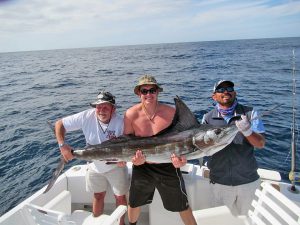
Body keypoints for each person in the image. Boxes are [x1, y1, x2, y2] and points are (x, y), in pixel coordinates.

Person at [124, 75, 197, 225]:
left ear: (158, 92)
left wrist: (182, 160)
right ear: (139, 93)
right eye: (144, 91)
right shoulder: (131, 114)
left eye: (152, 90)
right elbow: (126, 144)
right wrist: (134, 161)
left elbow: (183, 141)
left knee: (182, 204)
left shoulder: (170, 112)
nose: (149, 94)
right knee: (134, 202)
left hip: (168, 164)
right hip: (142, 165)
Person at [55, 91, 129, 225]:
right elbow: (59, 124)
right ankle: (96, 221)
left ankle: (121, 223)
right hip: (94, 165)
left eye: (106, 107)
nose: (101, 110)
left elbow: (126, 147)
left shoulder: (121, 122)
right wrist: (62, 146)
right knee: (98, 195)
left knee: (120, 197)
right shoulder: (86, 116)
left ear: (113, 108)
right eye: (98, 107)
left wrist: (124, 159)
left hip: (116, 166)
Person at [202, 80, 266, 216]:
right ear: (214, 96)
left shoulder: (250, 113)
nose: (225, 92)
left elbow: (261, 144)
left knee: (247, 221)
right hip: (219, 182)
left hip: (248, 182)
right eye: (220, 90)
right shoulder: (207, 118)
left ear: (235, 93)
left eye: (229, 88)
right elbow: (202, 148)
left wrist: (248, 131)